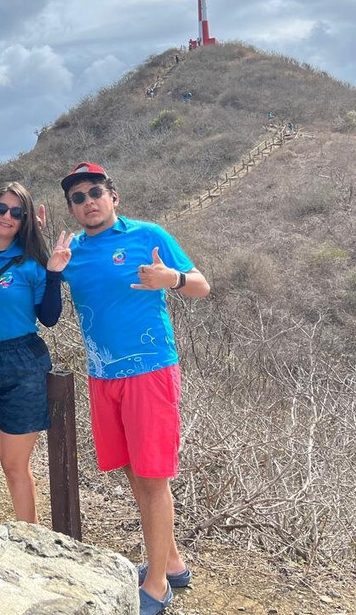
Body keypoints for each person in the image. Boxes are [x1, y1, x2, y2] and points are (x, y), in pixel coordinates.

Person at [58, 162, 210, 615]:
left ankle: (158, 584)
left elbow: (202, 286)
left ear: (113, 196)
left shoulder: (148, 235)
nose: (89, 202)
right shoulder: (73, 252)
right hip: (102, 375)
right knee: (131, 469)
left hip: (150, 372)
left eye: (95, 192)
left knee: (153, 475)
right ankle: (173, 562)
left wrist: (172, 279)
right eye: (79, 198)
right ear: (72, 208)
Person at [0, 182, 70, 522]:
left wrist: (53, 274)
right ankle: (30, 532)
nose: (7, 216)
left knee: (14, 463)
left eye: (17, 212)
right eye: (1, 208)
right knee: (7, 462)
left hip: (22, 363)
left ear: (25, 219)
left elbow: (49, 317)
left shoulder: (31, 263)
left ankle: (30, 538)